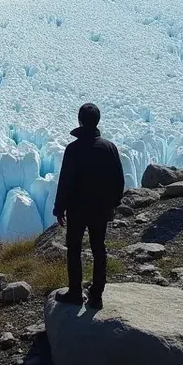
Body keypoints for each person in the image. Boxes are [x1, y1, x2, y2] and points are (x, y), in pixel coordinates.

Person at [52, 102, 125, 310]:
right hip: (101, 209)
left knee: (74, 248)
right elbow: (119, 179)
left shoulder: (73, 149)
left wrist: (59, 208)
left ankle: (75, 292)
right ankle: (96, 296)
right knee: (99, 249)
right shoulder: (109, 147)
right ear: (97, 121)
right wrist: (114, 203)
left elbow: (65, 181)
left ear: (80, 121)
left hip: (77, 209)